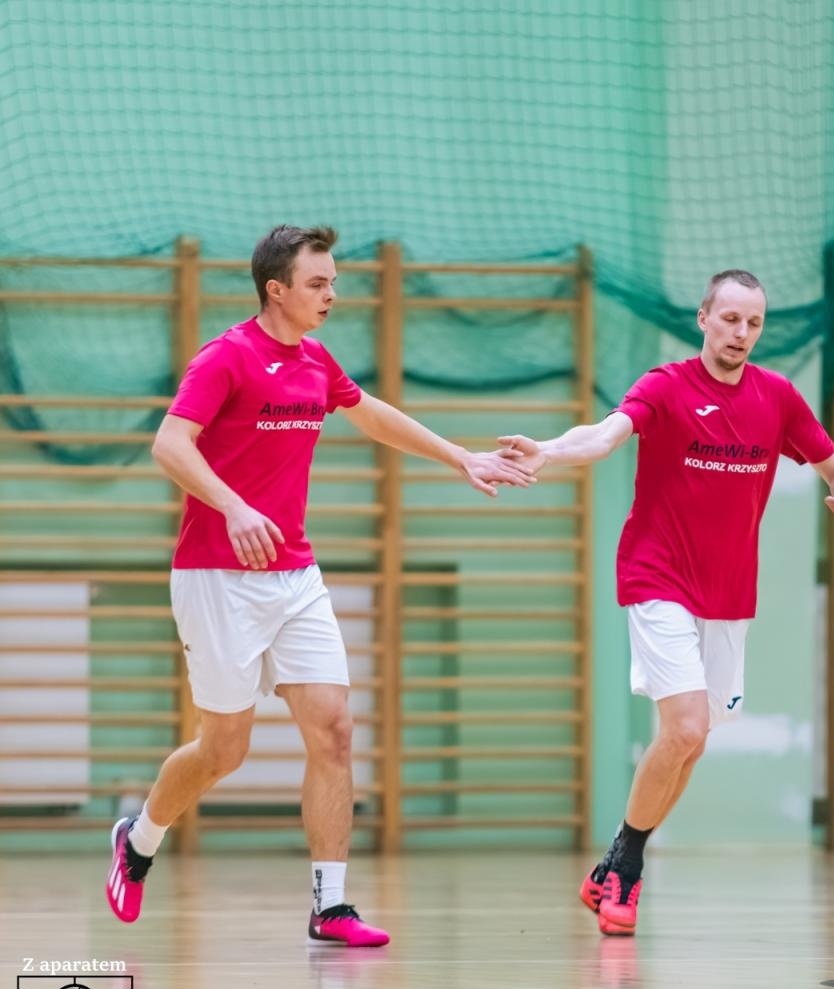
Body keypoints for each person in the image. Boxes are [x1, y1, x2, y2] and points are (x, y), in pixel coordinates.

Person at [105, 225, 529, 946]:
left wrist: (458, 457)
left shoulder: (315, 362)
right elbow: (169, 443)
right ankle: (139, 838)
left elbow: (368, 413)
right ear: (277, 289)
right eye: (318, 283)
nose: (333, 294)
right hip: (217, 577)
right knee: (223, 750)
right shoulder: (226, 358)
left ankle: (330, 905)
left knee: (333, 729)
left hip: (294, 574)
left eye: (334, 282)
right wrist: (233, 505)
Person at [497, 269, 834, 937]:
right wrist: (549, 451)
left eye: (753, 323)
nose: (741, 334)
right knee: (688, 726)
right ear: (703, 317)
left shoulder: (777, 398)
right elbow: (605, 436)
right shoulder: (666, 388)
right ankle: (630, 871)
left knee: (688, 743)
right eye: (729, 319)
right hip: (657, 576)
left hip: (728, 596)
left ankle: (612, 860)